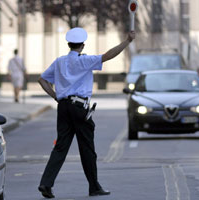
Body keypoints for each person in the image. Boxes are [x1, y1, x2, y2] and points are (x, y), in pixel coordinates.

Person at [38, 27, 135, 199]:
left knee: (60, 147)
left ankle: (46, 183)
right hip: (79, 108)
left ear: (69, 44)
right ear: (82, 45)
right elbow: (108, 55)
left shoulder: (59, 61)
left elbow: (42, 80)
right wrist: (127, 41)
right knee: (87, 149)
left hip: (64, 107)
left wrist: (56, 97)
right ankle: (94, 186)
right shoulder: (84, 61)